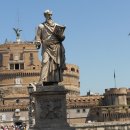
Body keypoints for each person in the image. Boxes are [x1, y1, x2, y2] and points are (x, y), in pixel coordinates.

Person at [35, 10, 66, 86]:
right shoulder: (41, 26)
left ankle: (55, 80)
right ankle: (42, 80)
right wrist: (38, 43)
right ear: (45, 15)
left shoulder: (56, 25)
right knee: (45, 62)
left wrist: (62, 35)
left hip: (56, 46)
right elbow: (38, 37)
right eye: (48, 15)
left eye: (51, 15)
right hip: (46, 46)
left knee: (55, 64)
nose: (50, 16)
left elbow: (62, 38)